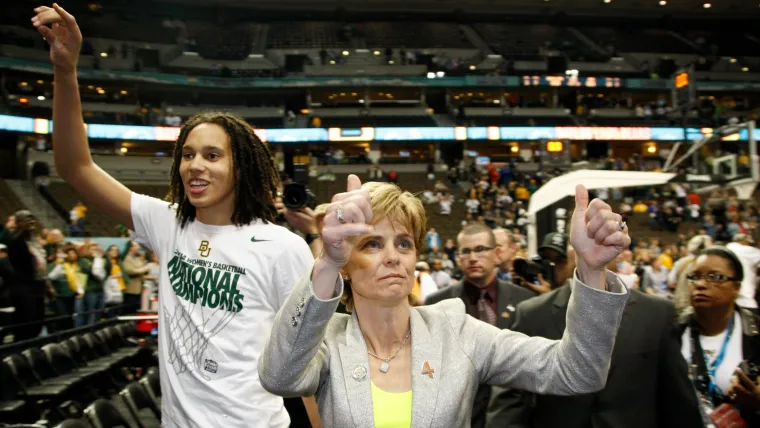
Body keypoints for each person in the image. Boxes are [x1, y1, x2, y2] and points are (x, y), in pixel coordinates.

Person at [32, 5, 313, 427]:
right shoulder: (167, 222)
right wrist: (66, 73)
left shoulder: (283, 248)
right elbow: (76, 167)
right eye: (187, 154)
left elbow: (308, 359)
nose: (194, 165)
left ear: (244, 167)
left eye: (212, 155)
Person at [259, 176, 631, 427]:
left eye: (403, 243)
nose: (393, 256)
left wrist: (591, 269)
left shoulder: (457, 331)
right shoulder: (325, 341)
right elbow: (278, 376)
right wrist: (326, 261)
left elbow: (578, 371)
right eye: (373, 244)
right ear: (346, 263)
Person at [486, 242, 703, 428]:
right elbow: (509, 402)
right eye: (582, 239)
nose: (591, 247)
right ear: (571, 250)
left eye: (601, 239)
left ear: (618, 250)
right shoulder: (533, 313)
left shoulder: (656, 313)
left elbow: (678, 402)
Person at [425, 223, 536, 427]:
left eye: (480, 249)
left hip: (515, 417)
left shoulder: (525, 301)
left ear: (497, 253)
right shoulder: (437, 304)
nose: (473, 258)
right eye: (465, 251)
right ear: (458, 257)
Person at [680, 247, 760, 426]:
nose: (700, 284)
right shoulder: (670, 332)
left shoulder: (756, 333)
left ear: (737, 287)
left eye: (715, 277)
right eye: (694, 277)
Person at [0, 210, 48, 341]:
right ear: (19, 223)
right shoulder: (14, 240)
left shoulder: (33, 240)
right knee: (26, 323)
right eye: (27, 219)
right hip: (23, 288)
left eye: (32, 218)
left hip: (38, 286)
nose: (32, 221)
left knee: (38, 321)